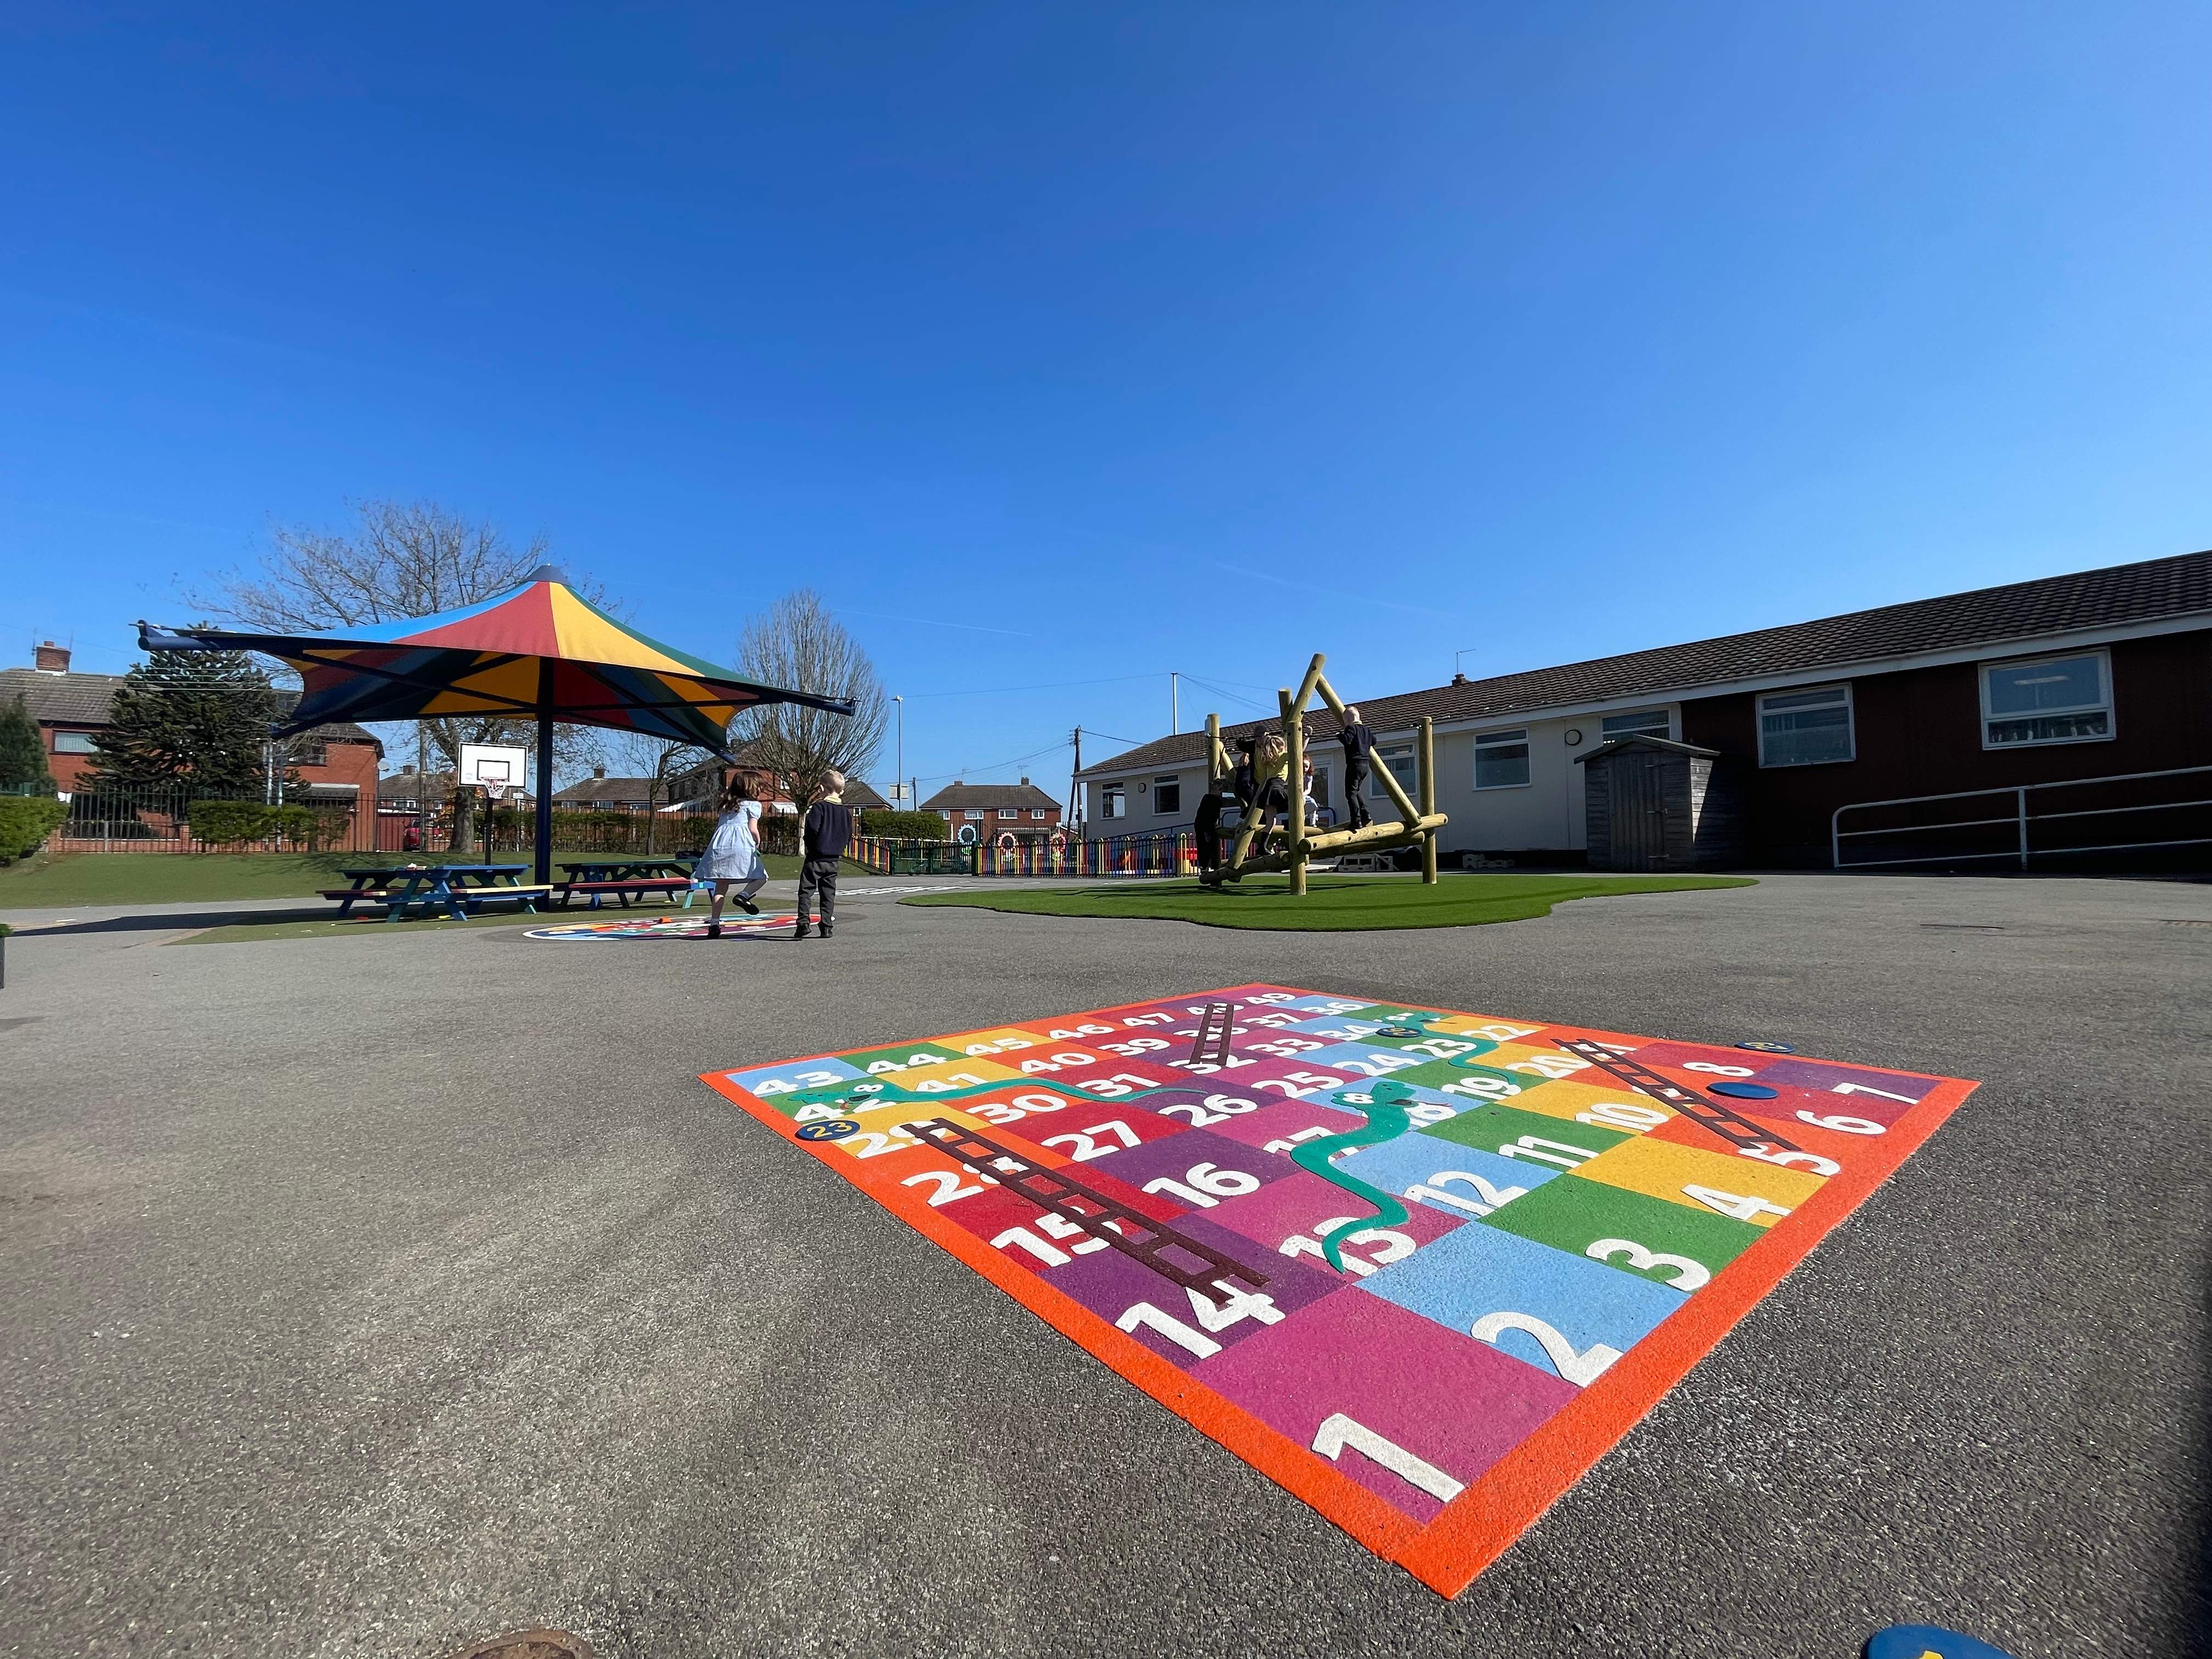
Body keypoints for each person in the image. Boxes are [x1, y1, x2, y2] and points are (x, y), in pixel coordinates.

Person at [695, 775, 766, 939]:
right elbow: (752, 828)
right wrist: (757, 840)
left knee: (721, 885)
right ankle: (743, 896)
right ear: (752, 788)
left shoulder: (726, 805)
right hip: (741, 844)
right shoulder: (754, 805)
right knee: (761, 877)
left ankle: (715, 923)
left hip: (720, 845)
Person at [794, 771, 854, 939]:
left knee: (806, 891)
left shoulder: (819, 808)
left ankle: (804, 923)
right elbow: (849, 834)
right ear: (841, 791)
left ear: (822, 788)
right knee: (828, 893)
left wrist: (811, 845)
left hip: (816, 857)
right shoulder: (846, 813)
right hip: (834, 859)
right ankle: (827, 926)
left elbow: (812, 830)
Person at [1338, 704, 1375, 830]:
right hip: (1366, 765)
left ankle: (1356, 820)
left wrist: (1340, 735)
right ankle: (1366, 815)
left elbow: (1347, 740)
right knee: (1356, 790)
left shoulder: (1351, 729)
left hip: (1354, 764)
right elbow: (1374, 741)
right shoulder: (1367, 730)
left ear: (1348, 720)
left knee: (1350, 794)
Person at [1192, 774, 1228, 877]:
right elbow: (1208, 815)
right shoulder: (1211, 799)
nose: (1221, 792)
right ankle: (1207, 866)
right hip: (1204, 826)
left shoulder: (1211, 799)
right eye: (1220, 790)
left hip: (1205, 825)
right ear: (1215, 790)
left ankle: (1207, 866)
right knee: (1205, 845)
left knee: (1207, 845)